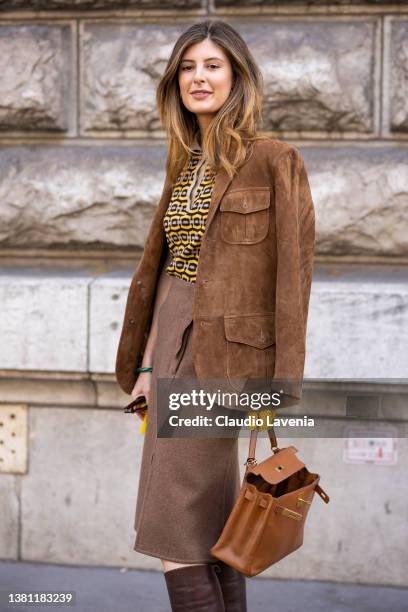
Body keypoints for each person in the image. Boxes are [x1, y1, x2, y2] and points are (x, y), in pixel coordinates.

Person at [115, 19, 316, 612]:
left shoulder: (274, 159)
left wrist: (279, 383)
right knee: (207, 527)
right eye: (187, 67)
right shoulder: (186, 160)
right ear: (175, 81)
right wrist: (149, 369)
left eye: (212, 66)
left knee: (174, 522)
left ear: (238, 77)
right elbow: (168, 275)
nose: (198, 78)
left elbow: (293, 278)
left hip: (228, 362)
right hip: (173, 348)